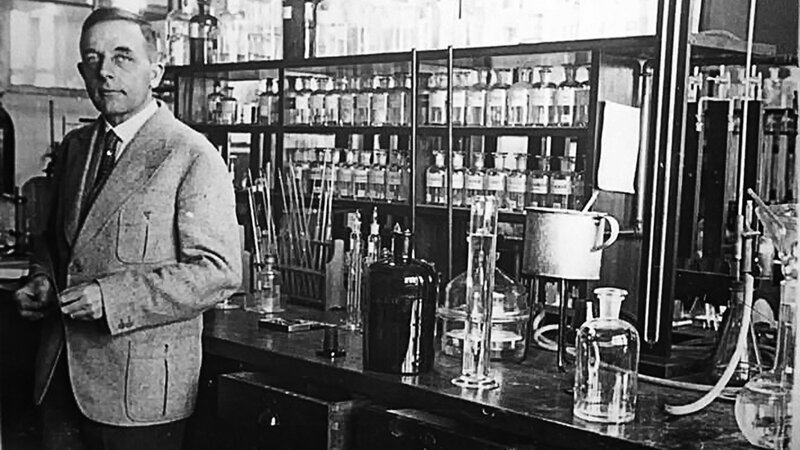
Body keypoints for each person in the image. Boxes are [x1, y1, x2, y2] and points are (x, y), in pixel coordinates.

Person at [13, 7, 242, 449]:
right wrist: (41, 280)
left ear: (156, 71)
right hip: (59, 380)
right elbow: (54, 245)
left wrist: (111, 298)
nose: (105, 71)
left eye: (122, 57)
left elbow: (218, 272)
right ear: (82, 71)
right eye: (93, 59)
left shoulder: (190, 154)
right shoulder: (76, 147)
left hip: (138, 395)